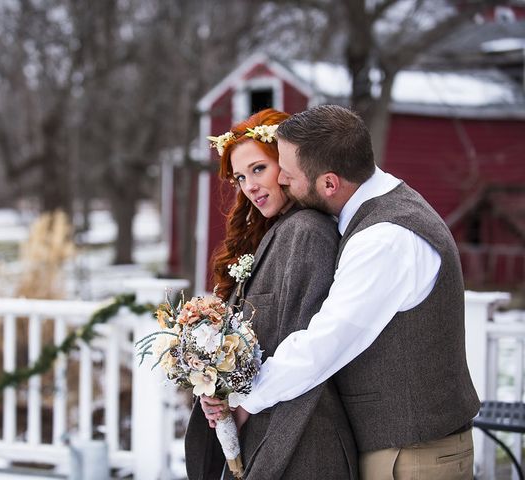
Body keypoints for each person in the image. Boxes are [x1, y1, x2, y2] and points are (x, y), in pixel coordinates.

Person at [232, 104, 480, 479]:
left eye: (288, 173)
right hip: (399, 447)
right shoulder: (381, 204)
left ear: (329, 183)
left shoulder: (385, 239)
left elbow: (326, 341)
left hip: (413, 456)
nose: (279, 180)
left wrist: (248, 400)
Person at [183, 108, 358, 480]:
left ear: (289, 163)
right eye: (240, 177)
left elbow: (304, 345)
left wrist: (237, 405)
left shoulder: (307, 232)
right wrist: (217, 384)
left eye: (258, 169)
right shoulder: (277, 231)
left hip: (305, 445)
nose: (249, 186)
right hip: (267, 434)